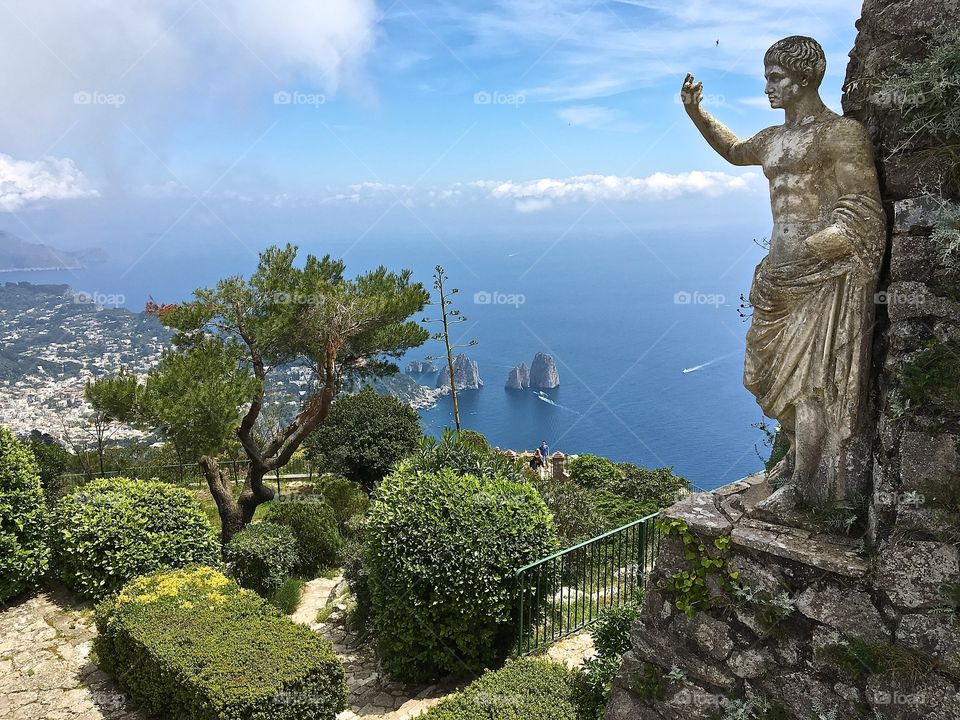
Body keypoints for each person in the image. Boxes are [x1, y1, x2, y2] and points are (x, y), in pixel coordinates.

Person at [681, 36, 884, 510]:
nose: (767, 87)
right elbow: (734, 149)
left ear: (806, 77)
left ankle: (805, 489)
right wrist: (696, 113)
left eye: (776, 77)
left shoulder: (840, 134)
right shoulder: (772, 139)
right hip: (777, 277)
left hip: (820, 276)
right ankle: (797, 460)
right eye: (767, 77)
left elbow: (863, 208)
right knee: (764, 376)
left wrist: (821, 245)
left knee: (811, 383)